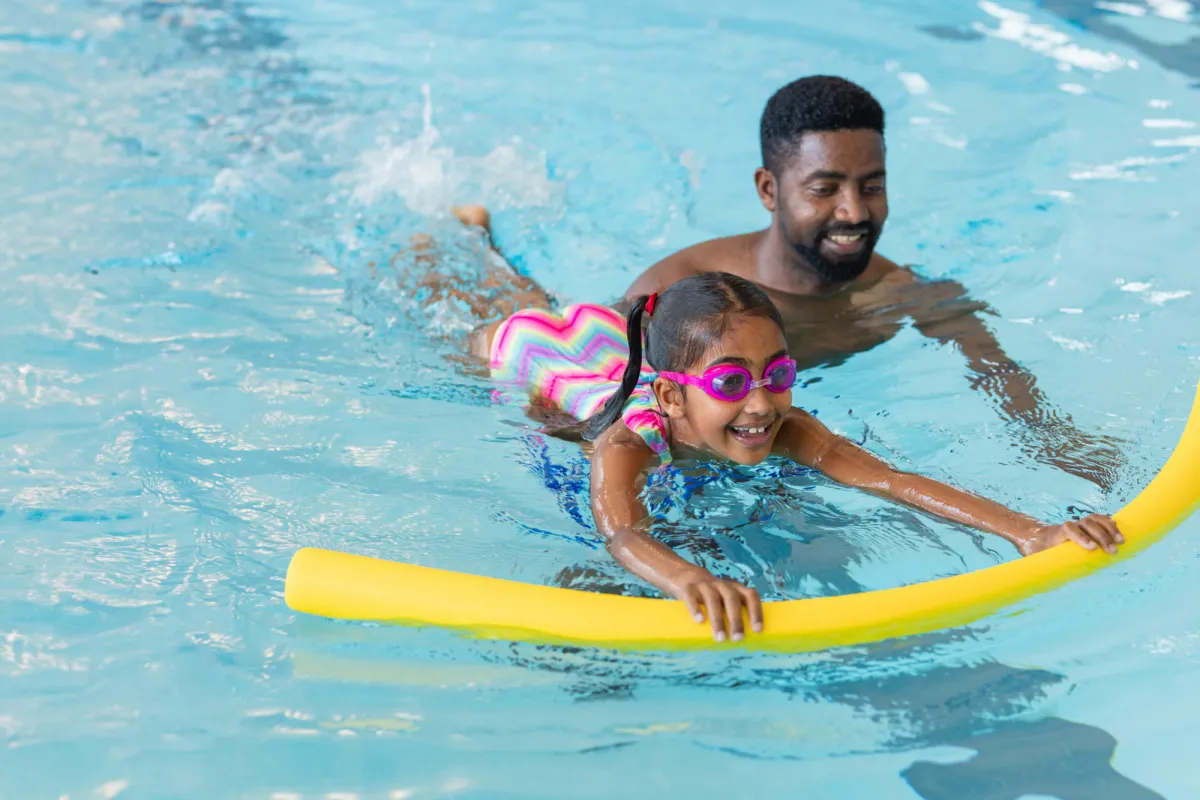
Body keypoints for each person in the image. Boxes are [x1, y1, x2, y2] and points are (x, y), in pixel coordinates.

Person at [467, 75, 1122, 491]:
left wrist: (1058, 447)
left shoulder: (910, 296)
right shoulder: (684, 287)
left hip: (752, 421)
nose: (855, 212)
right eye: (825, 189)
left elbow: (999, 374)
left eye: (872, 186)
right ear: (768, 190)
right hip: (575, 352)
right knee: (517, 314)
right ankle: (472, 243)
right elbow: (612, 386)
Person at [481, 270, 1124, 642]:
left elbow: (893, 481)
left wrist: (1033, 531)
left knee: (543, 295)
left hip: (614, 346)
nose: (761, 405)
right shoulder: (625, 445)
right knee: (494, 302)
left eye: (777, 373)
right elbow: (621, 532)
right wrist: (689, 577)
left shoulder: (783, 425)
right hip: (541, 362)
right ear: (672, 398)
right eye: (732, 383)